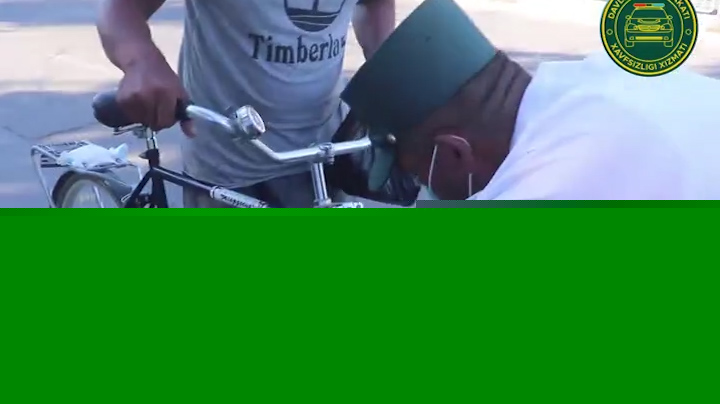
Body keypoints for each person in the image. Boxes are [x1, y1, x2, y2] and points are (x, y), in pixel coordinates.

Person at [341, 0, 720, 200]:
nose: (424, 190)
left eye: (420, 175)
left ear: (455, 152)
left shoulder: (544, 188)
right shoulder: (596, 76)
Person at [96, 0, 395, 207]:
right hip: (228, 163)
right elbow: (121, 9)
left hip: (322, 153)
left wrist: (390, 73)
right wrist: (141, 60)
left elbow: (376, 4)